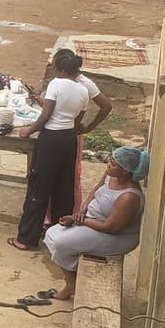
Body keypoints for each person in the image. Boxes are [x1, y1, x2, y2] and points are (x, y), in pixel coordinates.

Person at [7, 49, 89, 251]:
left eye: (54, 67)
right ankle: (58, 235)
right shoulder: (83, 90)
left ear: (61, 69)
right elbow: (75, 119)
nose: (53, 71)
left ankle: (26, 239)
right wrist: (41, 101)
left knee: (39, 187)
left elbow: (45, 117)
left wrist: (28, 130)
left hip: (50, 139)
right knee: (63, 187)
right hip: (69, 139)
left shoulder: (56, 84)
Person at [42, 146, 150, 300]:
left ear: (125, 171)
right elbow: (94, 191)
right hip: (93, 222)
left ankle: (70, 285)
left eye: (113, 163)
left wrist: (81, 221)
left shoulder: (129, 197)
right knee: (52, 233)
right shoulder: (111, 175)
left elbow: (110, 228)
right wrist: (80, 213)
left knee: (61, 244)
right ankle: (72, 281)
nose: (108, 165)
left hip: (116, 236)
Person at [52, 48, 112, 212]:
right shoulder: (62, 81)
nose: (54, 72)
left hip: (71, 134)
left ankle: (72, 212)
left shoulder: (84, 84)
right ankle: (50, 216)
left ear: (65, 69)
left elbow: (106, 106)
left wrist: (89, 127)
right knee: (53, 174)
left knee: (71, 176)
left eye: (55, 68)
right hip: (59, 131)